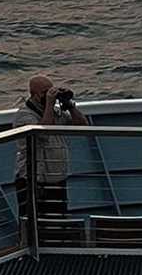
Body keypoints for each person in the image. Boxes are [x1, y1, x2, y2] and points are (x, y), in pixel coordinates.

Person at [14, 73, 88, 245]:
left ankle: (56, 250)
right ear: (34, 94)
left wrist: (69, 105)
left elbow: (82, 125)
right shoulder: (24, 116)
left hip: (56, 177)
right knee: (34, 222)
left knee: (58, 221)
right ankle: (32, 251)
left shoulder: (55, 112)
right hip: (33, 179)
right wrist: (49, 104)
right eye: (45, 92)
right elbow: (43, 132)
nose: (50, 96)